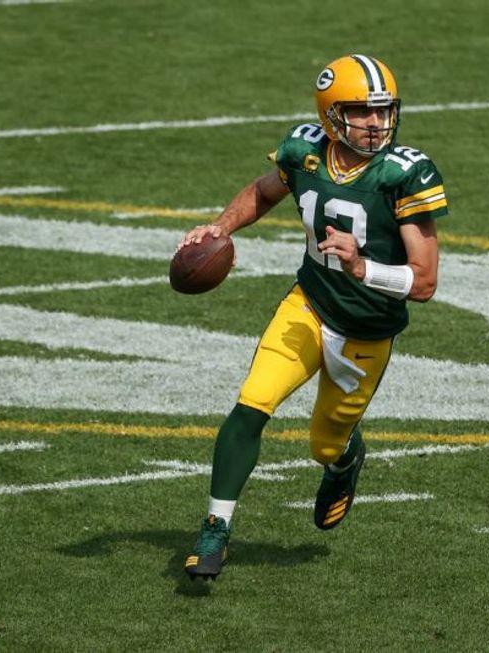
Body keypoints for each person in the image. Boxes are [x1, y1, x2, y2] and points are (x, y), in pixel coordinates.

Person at [178, 54, 447, 580]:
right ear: (330, 114)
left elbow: (425, 283)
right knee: (251, 404)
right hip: (309, 303)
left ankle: (345, 460)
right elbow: (263, 191)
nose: (376, 122)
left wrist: (362, 266)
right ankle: (215, 527)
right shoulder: (304, 151)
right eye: (361, 111)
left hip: (366, 331)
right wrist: (220, 228)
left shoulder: (404, 174)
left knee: (324, 444)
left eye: (383, 110)